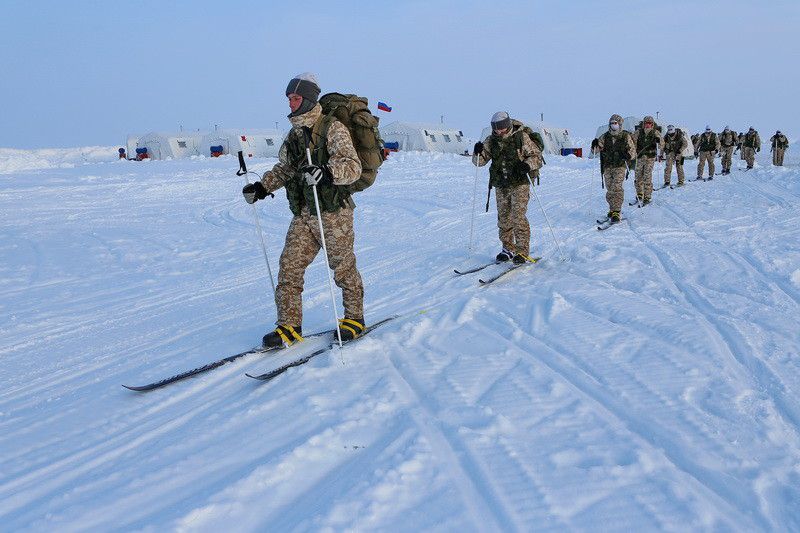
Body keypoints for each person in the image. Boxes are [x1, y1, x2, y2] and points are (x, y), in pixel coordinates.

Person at [242, 72, 365, 347]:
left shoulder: (332, 128)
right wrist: (262, 188)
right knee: (289, 266)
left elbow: (353, 167)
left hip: (334, 212)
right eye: (288, 98)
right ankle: (289, 325)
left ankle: (355, 318)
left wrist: (326, 171)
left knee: (343, 267)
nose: (290, 103)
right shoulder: (295, 133)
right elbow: (286, 168)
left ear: (308, 99)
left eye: (295, 98)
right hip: (305, 212)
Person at [472, 112, 543, 264]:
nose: (499, 131)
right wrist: (477, 152)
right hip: (501, 184)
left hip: (519, 183)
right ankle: (508, 249)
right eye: (496, 128)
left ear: (508, 124)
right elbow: (479, 162)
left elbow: (536, 157)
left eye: (502, 127)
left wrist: (527, 165)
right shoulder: (491, 140)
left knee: (518, 218)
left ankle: (522, 251)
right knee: (504, 219)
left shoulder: (521, 137)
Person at [592, 114, 636, 222]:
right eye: (612, 123)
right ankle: (612, 209)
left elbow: (632, 151)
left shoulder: (625, 136)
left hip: (620, 166)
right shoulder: (605, 136)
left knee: (616, 187)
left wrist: (628, 156)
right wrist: (594, 145)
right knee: (610, 188)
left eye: (615, 123)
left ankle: (616, 210)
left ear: (620, 124)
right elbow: (596, 150)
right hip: (607, 166)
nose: (613, 125)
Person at [631, 116, 662, 204]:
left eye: (649, 123)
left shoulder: (655, 132)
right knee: (638, 177)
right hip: (640, 157)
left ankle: (647, 196)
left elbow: (661, 145)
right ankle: (639, 193)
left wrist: (658, 141)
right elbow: (631, 141)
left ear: (652, 124)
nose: (648, 125)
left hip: (649, 158)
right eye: (646, 123)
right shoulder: (638, 132)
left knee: (647, 177)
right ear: (644, 123)